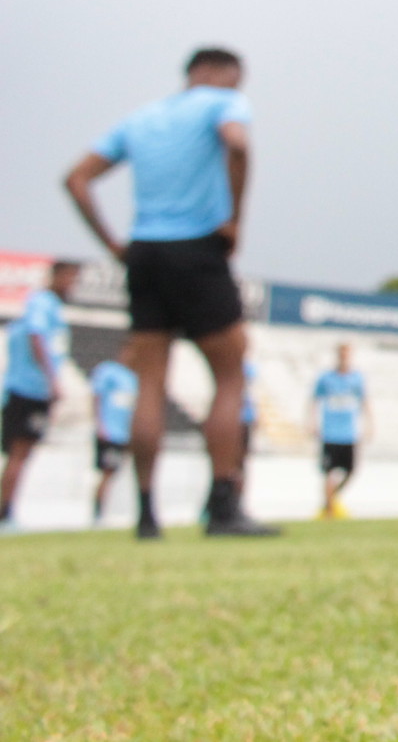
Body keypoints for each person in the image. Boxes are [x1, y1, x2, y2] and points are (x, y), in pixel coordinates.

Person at [64, 48, 277, 537]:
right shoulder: (221, 104)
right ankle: (223, 503)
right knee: (229, 374)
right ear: (219, 73)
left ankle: (145, 512)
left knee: (150, 384)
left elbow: (77, 180)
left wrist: (114, 245)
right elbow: (238, 145)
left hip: (145, 252)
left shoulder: (140, 119)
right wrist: (235, 218)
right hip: (197, 249)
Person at [1, 261, 77, 530]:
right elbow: (36, 336)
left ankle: (7, 512)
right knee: (18, 454)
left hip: (34, 391)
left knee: (21, 454)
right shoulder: (42, 302)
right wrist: (52, 381)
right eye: (71, 277)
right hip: (27, 390)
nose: (73, 285)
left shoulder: (51, 306)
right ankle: (4, 514)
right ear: (57, 275)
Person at [308, 343, 371, 520]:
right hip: (330, 432)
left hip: (349, 433)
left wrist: (369, 425)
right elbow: (314, 400)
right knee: (329, 472)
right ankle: (329, 511)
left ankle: (330, 501)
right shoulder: (326, 378)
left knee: (351, 471)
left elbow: (364, 401)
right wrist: (312, 422)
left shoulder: (357, 379)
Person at [90, 347, 139, 525]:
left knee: (117, 471)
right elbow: (96, 397)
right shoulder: (109, 371)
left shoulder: (134, 378)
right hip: (110, 432)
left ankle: (107, 511)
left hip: (125, 434)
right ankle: (97, 513)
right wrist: (100, 425)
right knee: (107, 472)